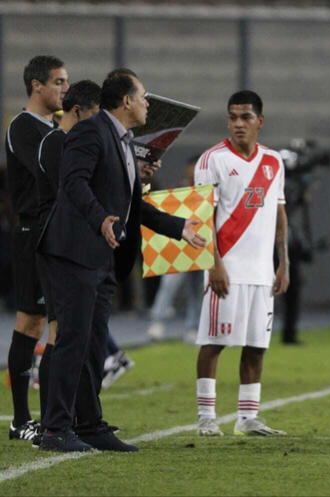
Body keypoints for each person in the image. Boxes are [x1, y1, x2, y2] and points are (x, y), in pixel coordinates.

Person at [37, 71, 206, 452]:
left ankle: (90, 424)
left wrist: (180, 228)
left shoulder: (124, 142)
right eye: (144, 97)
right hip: (74, 253)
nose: (148, 104)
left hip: (102, 258)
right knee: (73, 341)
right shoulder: (90, 130)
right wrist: (100, 218)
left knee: (95, 346)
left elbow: (135, 206)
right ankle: (54, 429)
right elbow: (73, 182)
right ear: (126, 102)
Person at [194, 90, 289, 437]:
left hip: (262, 272)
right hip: (227, 269)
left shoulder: (273, 162)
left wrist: (284, 263)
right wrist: (213, 264)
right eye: (233, 117)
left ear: (259, 122)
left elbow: (279, 213)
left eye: (245, 117)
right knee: (214, 342)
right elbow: (203, 216)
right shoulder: (212, 160)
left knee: (256, 346)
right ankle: (206, 415)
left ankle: (247, 418)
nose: (238, 124)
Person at [5, 55, 69, 442]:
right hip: (33, 233)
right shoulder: (23, 127)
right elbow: (48, 173)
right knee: (31, 323)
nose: (64, 88)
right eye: (59, 81)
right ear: (36, 86)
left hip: (55, 232)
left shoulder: (51, 127)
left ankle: (53, 417)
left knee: (55, 325)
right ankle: (20, 420)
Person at [35, 79, 102, 430]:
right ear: (78, 111)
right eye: (94, 115)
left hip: (73, 246)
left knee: (70, 333)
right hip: (58, 246)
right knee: (59, 333)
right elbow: (75, 190)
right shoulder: (56, 143)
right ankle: (52, 418)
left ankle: (72, 416)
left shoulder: (71, 142)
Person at [146, 155, 203, 343]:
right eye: (191, 168)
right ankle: (158, 322)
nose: (193, 172)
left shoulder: (209, 192)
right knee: (169, 285)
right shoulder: (179, 190)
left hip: (202, 247)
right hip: (179, 248)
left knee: (197, 290)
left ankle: (192, 327)